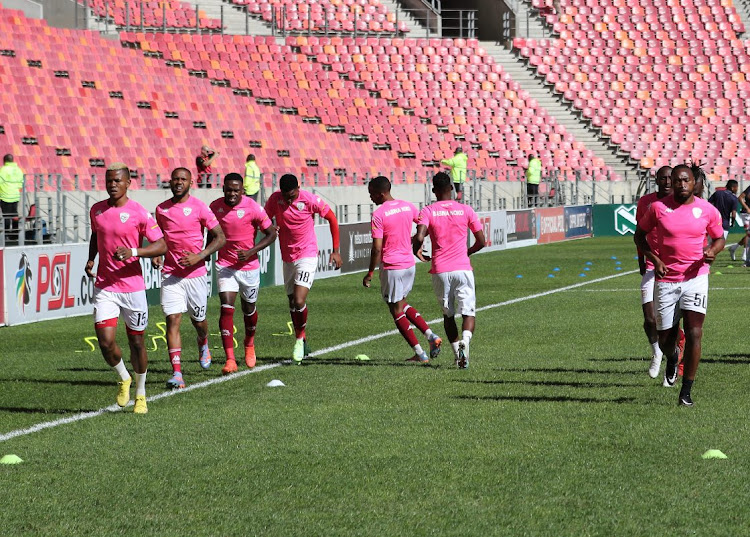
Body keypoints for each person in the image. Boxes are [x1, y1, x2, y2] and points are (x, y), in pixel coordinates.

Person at [634, 164, 725, 406]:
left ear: (694, 182)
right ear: (671, 183)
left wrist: (712, 251)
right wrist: (654, 259)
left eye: (686, 181)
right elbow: (639, 235)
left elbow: (719, 238)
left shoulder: (707, 210)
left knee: (695, 332)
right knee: (666, 340)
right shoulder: (657, 208)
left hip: (696, 278)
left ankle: (686, 392)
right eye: (677, 181)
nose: (682, 185)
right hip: (667, 281)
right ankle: (672, 357)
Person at [85, 163, 167, 414]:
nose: (112, 185)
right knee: (106, 342)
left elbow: (161, 245)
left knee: (137, 343)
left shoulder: (139, 213)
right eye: (109, 181)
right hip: (106, 286)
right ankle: (124, 377)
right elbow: (96, 236)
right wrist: (91, 259)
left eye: (117, 181)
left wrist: (134, 252)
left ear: (128, 182)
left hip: (132, 288)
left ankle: (141, 393)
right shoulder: (97, 210)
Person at [155, 167, 226, 389]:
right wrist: (157, 253)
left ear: (190, 182)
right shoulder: (161, 209)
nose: (178, 182)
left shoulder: (199, 208)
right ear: (170, 182)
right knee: (173, 319)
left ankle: (203, 341)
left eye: (183, 179)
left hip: (196, 275)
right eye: (175, 178)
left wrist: (201, 256)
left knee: (198, 321)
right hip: (171, 274)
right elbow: (157, 237)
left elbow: (220, 237)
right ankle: (177, 373)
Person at [264, 174, 343, 363]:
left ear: (298, 188)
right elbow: (263, 219)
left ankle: (299, 339)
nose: (289, 200)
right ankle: (303, 338)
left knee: (299, 300)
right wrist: (268, 228)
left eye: (291, 195)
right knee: (292, 302)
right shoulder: (275, 199)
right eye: (286, 196)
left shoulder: (309, 200)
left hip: (307, 254)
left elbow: (332, 218)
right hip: (287, 256)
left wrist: (336, 250)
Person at [363, 176, 442, 363]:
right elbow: (426, 224)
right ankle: (430, 336)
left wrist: (370, 272)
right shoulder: (407, 206)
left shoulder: (379, 214)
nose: (371, 198)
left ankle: (420, 353)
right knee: (402, 304)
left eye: (372, 194)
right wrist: (416, 242)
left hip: (392, 266)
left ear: (381, 193)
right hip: (408, 264)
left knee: (396, 310)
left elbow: (376, 247)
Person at [412, 172, 486, 369]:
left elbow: (419, 236)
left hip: (440, 270)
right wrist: (467, 252)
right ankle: (465, 343)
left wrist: (416, 250)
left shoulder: (428, 211)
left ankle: (458, 356)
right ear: (452, 189)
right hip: (462, 268)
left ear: (434, 190)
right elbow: (482, 241)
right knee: (468, 312)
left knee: (448, 315)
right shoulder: (466, 210)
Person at [210, 173, 277, 374]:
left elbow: (272, 233)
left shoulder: (253, 208)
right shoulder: (214, 207)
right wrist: (205, 255)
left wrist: (251, 251)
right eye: (228, 190)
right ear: (223, 189)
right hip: (225, 266)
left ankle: (249, 343)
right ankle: (230, 359)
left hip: (248, 268)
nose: (232, 194)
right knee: (226, 308)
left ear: (242, 191)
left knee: (249, 309)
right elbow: (211, 233)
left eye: (236, 190)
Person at [636, 166, 672, 378]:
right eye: (663, 177)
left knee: (671, 321)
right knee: (650, 318)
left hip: (676, 266)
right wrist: (641, 258)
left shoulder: (680, 202)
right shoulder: (645, 203)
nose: (667, 181)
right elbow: (639, 233)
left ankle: (673, 359)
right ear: (656, 179)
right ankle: (656, 352)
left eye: (671, 177)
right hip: (652, 264)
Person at [0, 154, 24, 243]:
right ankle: (14, 235)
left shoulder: (3, 170)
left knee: (6, 216)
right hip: (15, 196)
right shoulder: (18, 170)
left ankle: (5, 234)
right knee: (14, 214)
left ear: (4, 161)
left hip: (5, 196)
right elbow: (20, 183)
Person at [727, 184, 750, 264]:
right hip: (746, 214)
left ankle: (734, 248)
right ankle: (745, 256)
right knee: (749, 234)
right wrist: (747, 208)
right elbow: (740, 197)